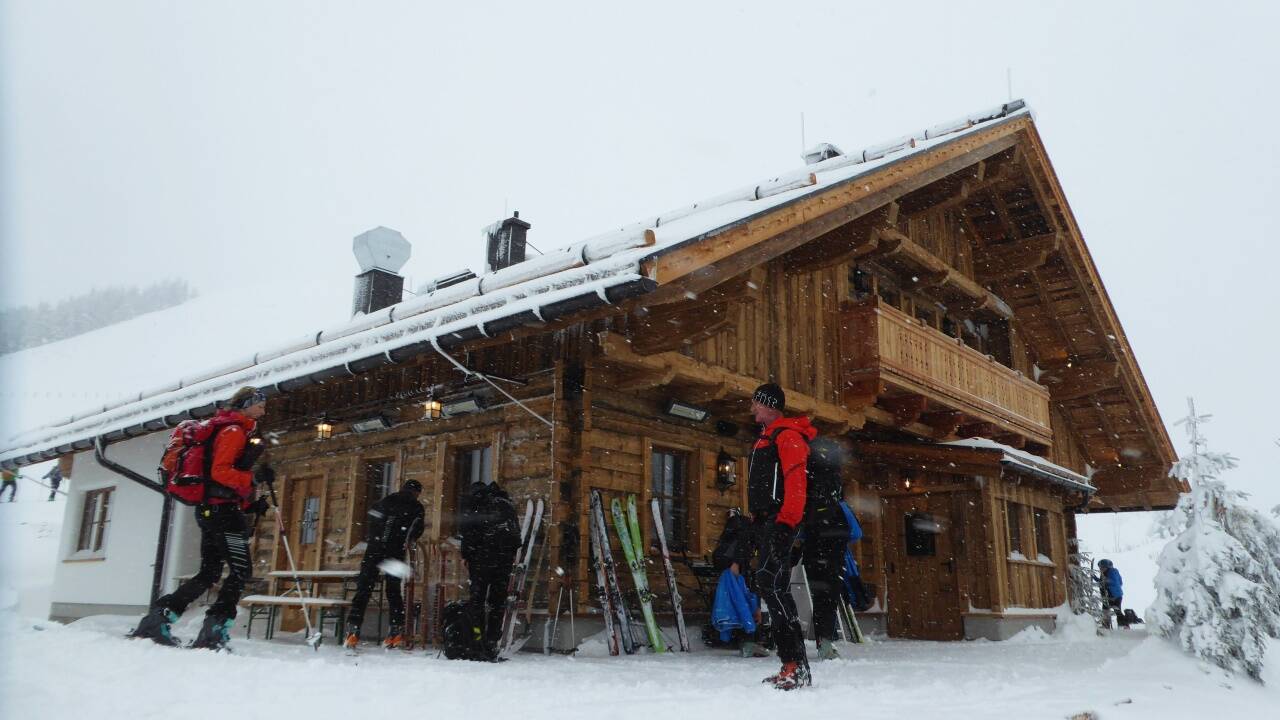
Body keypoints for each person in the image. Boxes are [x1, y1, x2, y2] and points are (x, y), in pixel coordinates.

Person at [130, 386, 271, 650]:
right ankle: (214, 630)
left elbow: (219, 480)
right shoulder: (233, 431)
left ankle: (159, 618)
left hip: (212, 510)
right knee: (240, 571)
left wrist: (249, 505)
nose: (263, 410)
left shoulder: (227, 428)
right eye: (260, 405)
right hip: (223, 513)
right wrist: (252, 478)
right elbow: (220, 472)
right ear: (246, 404)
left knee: (210, 572)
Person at [747, 382, 817, 690]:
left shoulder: (787, 437)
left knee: (772, 586)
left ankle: (795, 665)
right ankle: (792, 664)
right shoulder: (766, 438)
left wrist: (785, 526)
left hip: (780, 523)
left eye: (756, 403)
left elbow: (795, 485)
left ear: (770, 405)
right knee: (772, 586)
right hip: (768, 522)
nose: (752, 408)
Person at [344, 479, 425, 650]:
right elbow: (417, 528)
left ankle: (353, 630)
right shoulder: (416, 507)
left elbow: (373, 518)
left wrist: (376, 537)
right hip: (395, 552)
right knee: (393, 591)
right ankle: (395, 632)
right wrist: (408, 539)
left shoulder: (386, 500)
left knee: (364, 589)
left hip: (374, 549)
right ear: (417, 493)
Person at [457, 479, 521, 660]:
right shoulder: (505, 503)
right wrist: (509, 555)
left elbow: (467, 532)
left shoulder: (475, 502)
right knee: (497, 602)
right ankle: (492, 642)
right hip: (504, 559)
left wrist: (466, 555)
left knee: (477, 601)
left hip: (482, 559)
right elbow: (516, 535)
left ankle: (477, 641)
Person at [800, 437, 851, 660]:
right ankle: (825, 640)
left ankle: (821, 639)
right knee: (828, 591)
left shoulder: (808, 473)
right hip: (832, 537)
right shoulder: (833, 476)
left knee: (820, 590)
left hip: (815, 536)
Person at [1097, 558, 1125, 628]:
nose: (1101, 569)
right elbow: (1102, 582)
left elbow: (1115, 582)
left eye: (1103, 567)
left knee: (1116, 610)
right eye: (1100, 568)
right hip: (1109, 595)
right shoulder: (1104, 573)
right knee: (1106, 610)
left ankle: (1123, 624)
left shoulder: (1112, 572)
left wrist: (1106, 581)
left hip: (1114, 595)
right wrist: (1096, 579)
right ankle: (1106, 624)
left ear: (1107, 567)